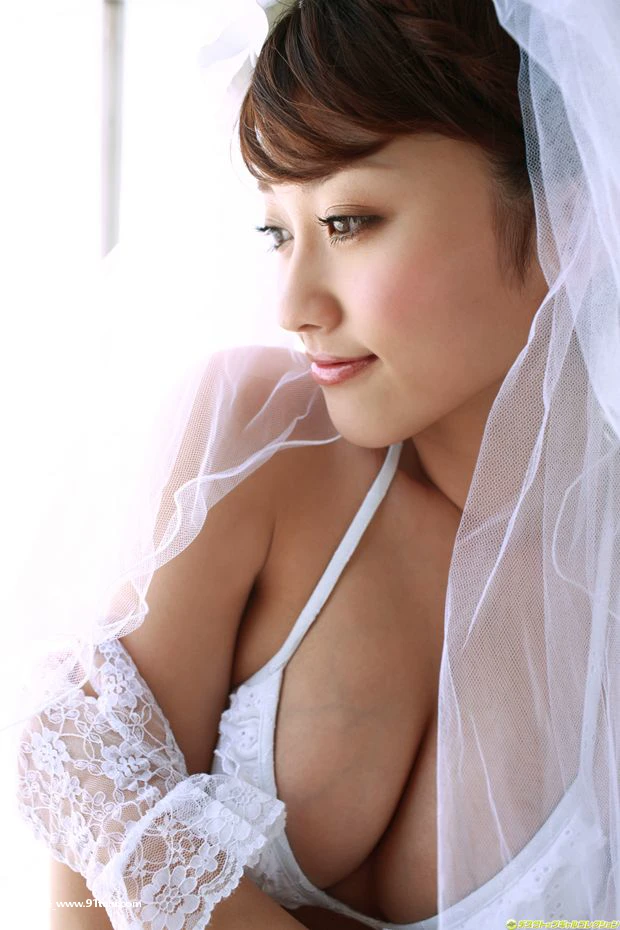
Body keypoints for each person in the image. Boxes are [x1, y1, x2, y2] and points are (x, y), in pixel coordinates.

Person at [14, 0, 620, 928]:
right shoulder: (259, 445)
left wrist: (134, 830)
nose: (293, 305)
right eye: (276, 233)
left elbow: (112, 852)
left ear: (564, 219)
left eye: (348, 221)